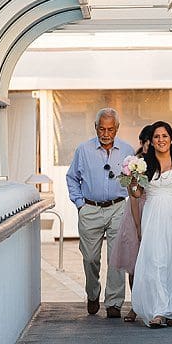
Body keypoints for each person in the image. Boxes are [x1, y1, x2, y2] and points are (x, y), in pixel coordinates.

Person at [128, 121, 172, 328]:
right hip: (153, 216)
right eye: (157, 137)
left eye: (165, 136)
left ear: (171, 139)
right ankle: (159, 311)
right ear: (151, 141)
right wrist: (132, 182)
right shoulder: (144, 164)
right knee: (156, 262)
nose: (161, 140)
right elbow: (137, 194)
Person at [66, 108, 135, 318]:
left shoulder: (126, 149)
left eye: (110, 129)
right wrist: (80, 204)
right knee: (90, 258)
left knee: (116, 257)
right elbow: (72, 178)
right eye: (102, 129)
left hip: (117, 208)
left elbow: (135, 178)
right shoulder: (83, 150)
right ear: (95, 127)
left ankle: (114, 302)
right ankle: (93, 293)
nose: (106, 134)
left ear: (117, 129)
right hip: (90, 209)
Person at [109, 123, 155, 322]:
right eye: (146, 142)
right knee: (134, 262)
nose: (149, 146)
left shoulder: (165, 162)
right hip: (135, 211)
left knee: (155, 262)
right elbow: (134, 195)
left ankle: (155, 304)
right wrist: (137, 225)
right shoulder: (134, 164)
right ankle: (135, 306)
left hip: (156, 211)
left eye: (152, 142)